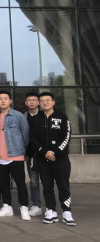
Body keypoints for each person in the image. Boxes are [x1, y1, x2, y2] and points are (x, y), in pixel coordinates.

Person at [32, 93, 76, 226]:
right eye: (42, 101)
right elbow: (32, 138)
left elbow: (66, 136)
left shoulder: (62, 117)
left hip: (60, 159)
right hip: (43, 159)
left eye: (47, 100)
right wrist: (44, 152)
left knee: (63, 186)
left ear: (53, 102)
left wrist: (55, 152)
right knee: (47, 186)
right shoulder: (36, 118)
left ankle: (67, 212)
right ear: (39, 103)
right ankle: (51, 211)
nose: (45, 103)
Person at [0, 91, 32, 221]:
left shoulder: (18, 116)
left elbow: (25, 135)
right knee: (3, 184)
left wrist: (22, 150)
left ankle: (24, 208)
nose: (3, 101)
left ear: (10, 101)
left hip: (16, 156)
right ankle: (7, 207)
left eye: (5, 98)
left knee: (20, 183)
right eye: (0, 99)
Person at [24, 92, 43, 218]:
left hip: (45, 154)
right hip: (30, 155)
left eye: (34, 100)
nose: (31, 102)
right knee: (34, 181)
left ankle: (50, 206)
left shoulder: (44, 115)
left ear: (38, 102)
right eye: (29, 100)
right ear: (26, 103)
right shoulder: (23, 117)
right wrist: (25, 153)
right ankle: (36, 205)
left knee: (47, 181)